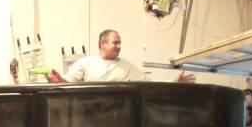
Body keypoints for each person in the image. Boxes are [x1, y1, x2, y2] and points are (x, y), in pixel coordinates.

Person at [46, 29, 195, 84]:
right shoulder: (85, 63)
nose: (118, 46)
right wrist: (58, 80)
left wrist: (174, 82)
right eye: (115, 42)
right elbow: (69, 81)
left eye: (120, 43)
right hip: (87, 118)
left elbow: (149, 84)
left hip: (117, 119)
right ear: (102, 43)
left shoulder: (126, 66)